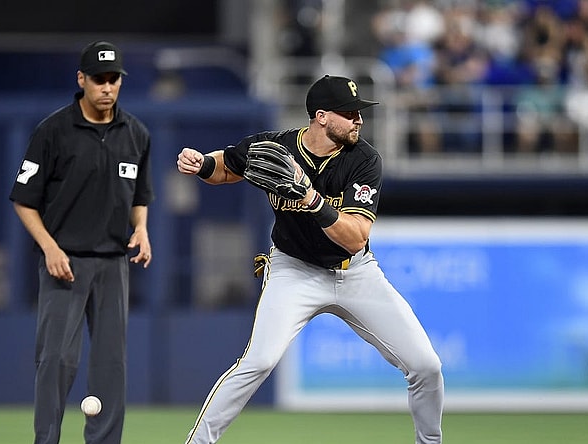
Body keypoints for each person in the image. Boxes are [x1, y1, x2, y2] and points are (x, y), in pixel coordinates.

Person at [176, 74, 444, 444]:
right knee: (259, 361)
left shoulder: (364, 160)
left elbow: (355, 239)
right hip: (293, 269)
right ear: (320, 116)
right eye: (349, 113)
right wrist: (202, 164)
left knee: (426, 366)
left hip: (355, 274)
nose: (358, 120)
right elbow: (229, 166)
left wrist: (310, 198)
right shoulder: (276, 147)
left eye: (359, 112)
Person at [9, 40, 154, 444]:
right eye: (99, 79)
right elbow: (23, 200)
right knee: (56, 360)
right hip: (65, 263)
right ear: (82, 80)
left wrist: (140, 229)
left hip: (113, 264)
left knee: (111, 364)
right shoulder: (53, 131)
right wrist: (50, 247)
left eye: (114, 79)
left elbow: (140, 196)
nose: (107, 87)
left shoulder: (136, 134)